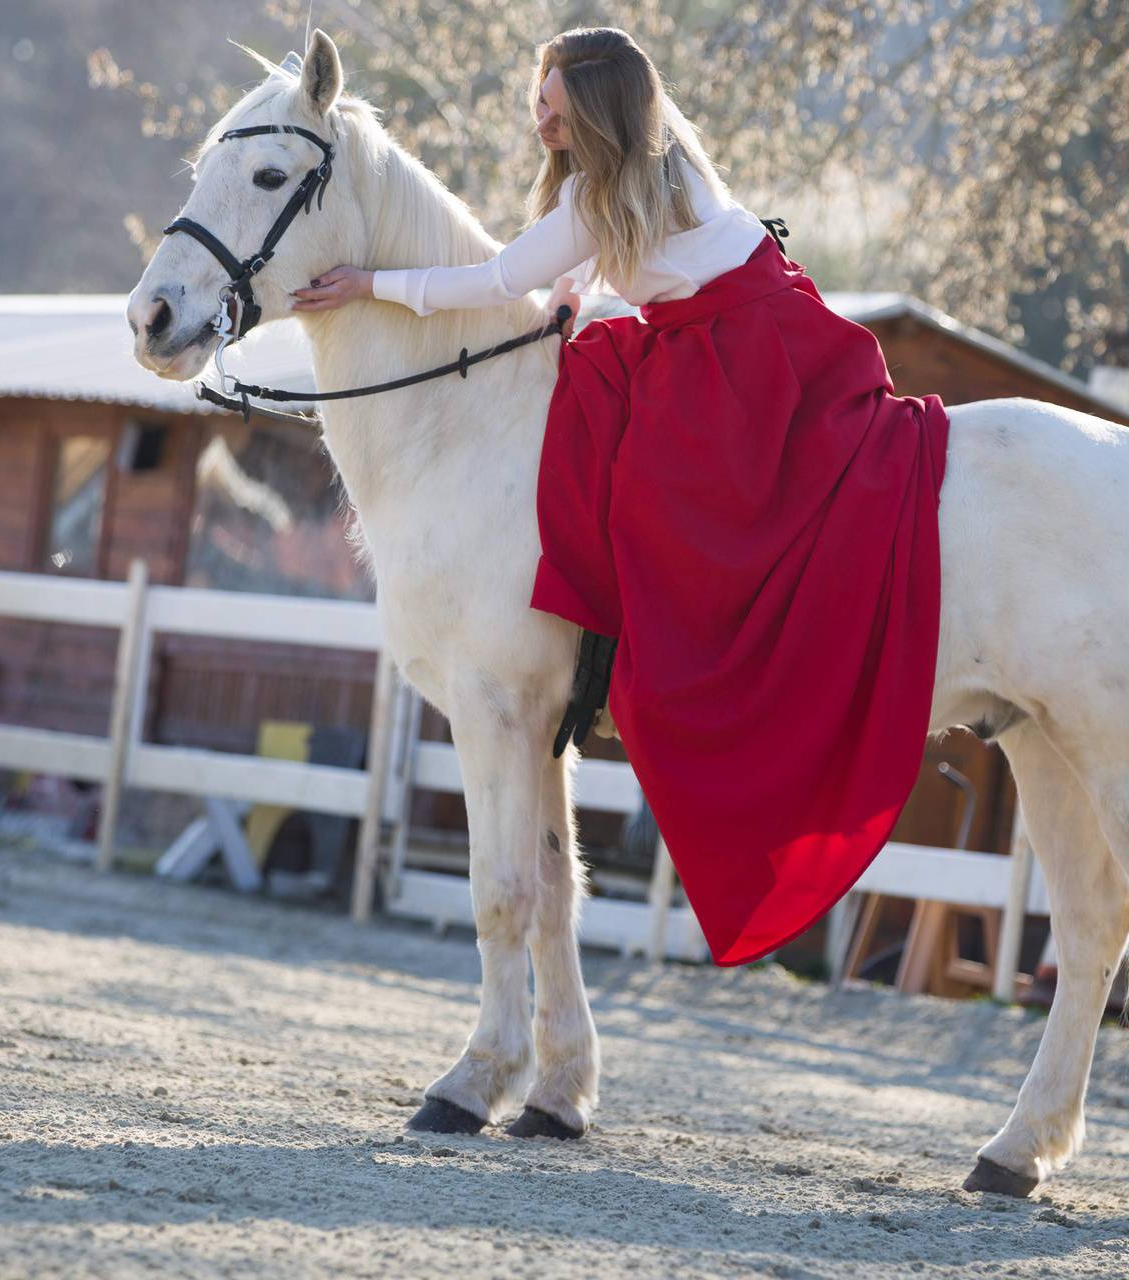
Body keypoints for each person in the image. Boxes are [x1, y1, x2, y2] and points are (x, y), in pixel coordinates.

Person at [292, 26, 952, 968]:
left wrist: (372, 284)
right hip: (731, 327)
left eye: (554, 97)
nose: (539, 110)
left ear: (592, 105)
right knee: (597, 375)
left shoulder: (603, 190)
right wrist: (571, 294)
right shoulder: (640, 167)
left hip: (735, 353)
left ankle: (645, 633)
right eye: (537, 92)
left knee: (650, 477)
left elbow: (493, 281)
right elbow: (582, 264)